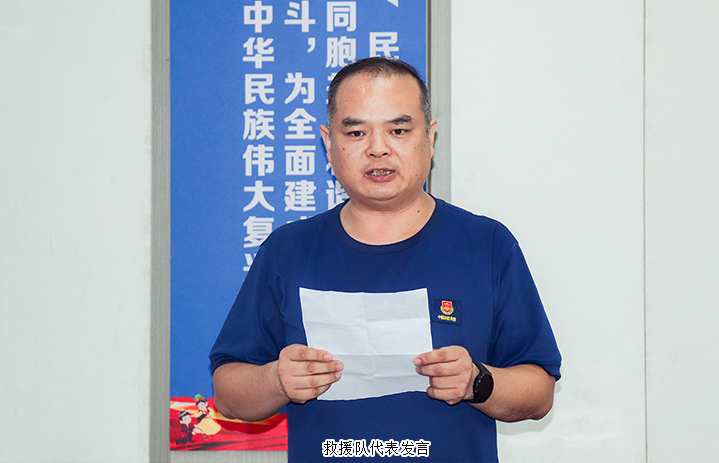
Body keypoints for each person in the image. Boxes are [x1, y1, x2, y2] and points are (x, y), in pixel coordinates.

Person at [210, 57, 561, 462]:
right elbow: (228, 393)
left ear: (429, 137)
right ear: (328, 143)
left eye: (398, 130)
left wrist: (476, 381)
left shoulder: (487, 245)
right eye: (356, 132)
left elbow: (539, 392)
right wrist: (276, 380)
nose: (378, 148)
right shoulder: (287, 250)